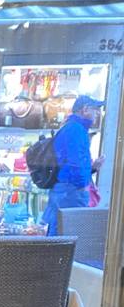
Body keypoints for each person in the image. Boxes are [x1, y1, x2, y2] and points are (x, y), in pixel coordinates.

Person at [41, 94, 104, 236]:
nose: (97, 113)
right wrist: (84, 187)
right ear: (85, 109)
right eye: (95, 109)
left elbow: (71, 163)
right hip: (71, 193)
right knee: (66, 236)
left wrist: (92, 169)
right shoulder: (77, 130)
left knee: (58, 233)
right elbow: (75, 166)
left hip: (63, 190)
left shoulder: (71, 128)